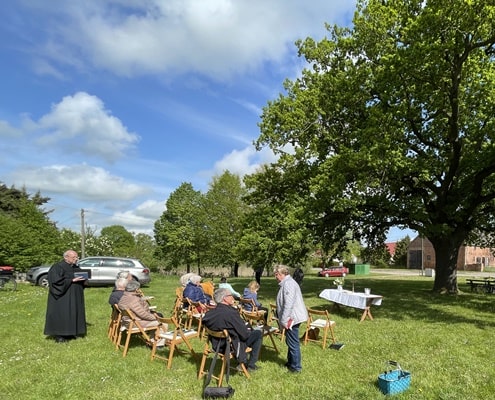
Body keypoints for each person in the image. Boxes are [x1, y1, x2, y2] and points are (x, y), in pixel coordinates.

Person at [202, 287, 262, 372]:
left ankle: (244, 360)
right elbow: (244, 335)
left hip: (216, 346)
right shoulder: (231, 313)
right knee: (258, 333)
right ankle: (250, 365)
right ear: (225, 298)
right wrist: (248, 329)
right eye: (231, 295)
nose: (233, 298)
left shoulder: (209, 314)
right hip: (230, 346)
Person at [44, 249, 87, 343]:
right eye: (74, 257)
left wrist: (84, 279)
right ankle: (60, 335)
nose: (76, 259)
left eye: (77, 257)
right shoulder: (57, 267)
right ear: (66, 257)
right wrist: (71, 280)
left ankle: (72, 332)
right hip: (63, 297)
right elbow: (55, 282)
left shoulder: (75, 267)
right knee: (63, 314)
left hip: (74, 296)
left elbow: (80, 277)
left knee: (73, 313)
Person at [273, 264, 308, 373]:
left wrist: (283, 320)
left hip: (292, 318)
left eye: (276, 274)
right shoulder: (286, 283)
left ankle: (296, 367)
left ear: (281, 274)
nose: (275, 277)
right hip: (291, 317)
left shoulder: (288, 284)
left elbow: (288, 304)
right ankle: (291, 362)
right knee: (290, 341)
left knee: (293, 342)